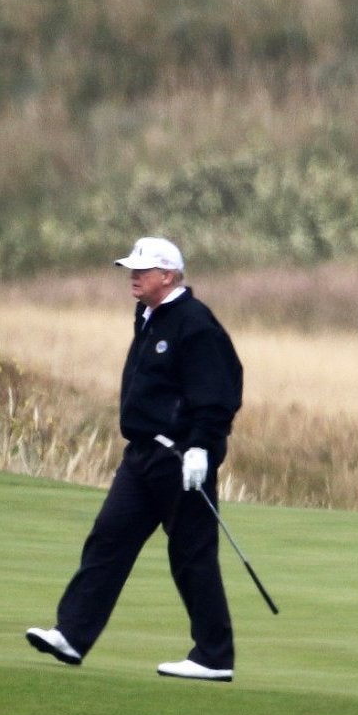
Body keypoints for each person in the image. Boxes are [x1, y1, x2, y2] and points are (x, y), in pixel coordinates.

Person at [25, 237, 245, 681]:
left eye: (142, 270)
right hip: (142, 454)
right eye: (132, 269)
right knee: (108, 539)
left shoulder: (195, 324)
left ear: (168, 276)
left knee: (191, 557)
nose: (133, 276)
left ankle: (214, 656)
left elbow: (219, 391)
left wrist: (203, 445)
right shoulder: (148, 316)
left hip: (181, 458)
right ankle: (72, 634)